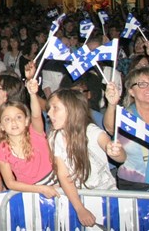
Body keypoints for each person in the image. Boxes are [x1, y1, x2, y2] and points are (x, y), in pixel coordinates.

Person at [48, 89, 125, 227]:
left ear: (72, 110)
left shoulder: (92, 131)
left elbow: (121, 157)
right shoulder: (55, 137)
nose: (48, 113)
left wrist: (116, 151)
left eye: (55, 108)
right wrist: (80, 208)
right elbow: (64, 176)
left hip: (108, 199)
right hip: (78, 198)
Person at [105, 67, 149, 190]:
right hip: (134, 184)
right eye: (142, 84)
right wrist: (112, 104)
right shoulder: (127, 118)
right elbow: (110, 128)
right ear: (131, 91)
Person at [0, 79, 58, 198]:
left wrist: (32, 94)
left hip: (57, 184)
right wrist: (40, 189)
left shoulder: (35, 133)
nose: (13, 122)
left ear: (27, 121)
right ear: (1, 126)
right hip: (31, 192)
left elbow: (37, 115)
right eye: (7, 119)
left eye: (18, 117)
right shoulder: (1, 150)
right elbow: (10, 183)